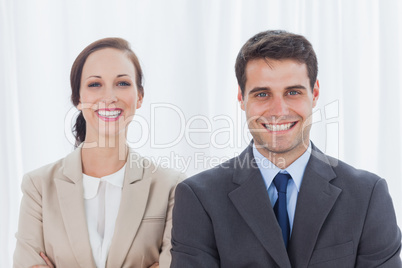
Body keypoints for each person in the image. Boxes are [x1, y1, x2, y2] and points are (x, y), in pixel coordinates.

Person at [170, 30, 401, 267]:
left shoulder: (367, 195)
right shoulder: (199, 198)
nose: (279, 110)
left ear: (315, 93)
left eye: (293, 92)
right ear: (241, 98)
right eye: (262, 94)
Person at [13, 37, 185, 268]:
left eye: (122, 83)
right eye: (95, 84)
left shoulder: (171, 188)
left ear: (140, 96)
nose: (109, 97)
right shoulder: (39, 187)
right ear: (78, 98)